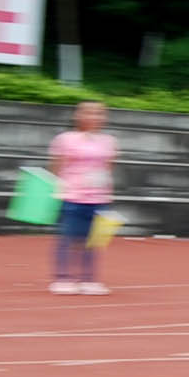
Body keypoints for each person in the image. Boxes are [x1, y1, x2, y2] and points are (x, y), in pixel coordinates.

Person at [47, 100, 117, 295]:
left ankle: (89, 279)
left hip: (99, 198)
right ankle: (62, 278)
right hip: (71, 196)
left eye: (99, 114)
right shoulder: (65, 139)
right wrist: (56, 189)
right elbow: (56, 166)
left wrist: (107, 193)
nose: (94, 117)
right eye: (89, 113)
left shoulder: (109, 141)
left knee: (94, 241)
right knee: (68, 239)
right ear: (77, 115)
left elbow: (108, 169)